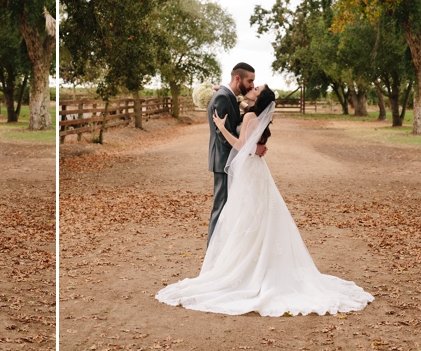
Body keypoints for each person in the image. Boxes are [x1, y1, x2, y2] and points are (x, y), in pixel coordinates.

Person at [156, 85, 373, 316]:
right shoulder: (255, 113)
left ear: (258, 98)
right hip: (258, 169)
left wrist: (221, 127)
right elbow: (246, 115)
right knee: (258, 216)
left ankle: (248, 266)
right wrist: (224, 90)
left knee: (248, 215)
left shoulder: (250, 115)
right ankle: (258, 262)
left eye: (256, 88)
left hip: (250, 168)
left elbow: (241, 146)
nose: (252, 87)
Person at [205, 63, 266, 245]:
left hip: (230, 160)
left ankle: (223, 251)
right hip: (223, 160)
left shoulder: (229, 96)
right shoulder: (223, 97)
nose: (252, 85)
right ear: (238, 78)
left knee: (228, 208)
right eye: (250, 81)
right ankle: (213, 253)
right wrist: (251, 149)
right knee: (221, 208)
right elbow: (223, 134)